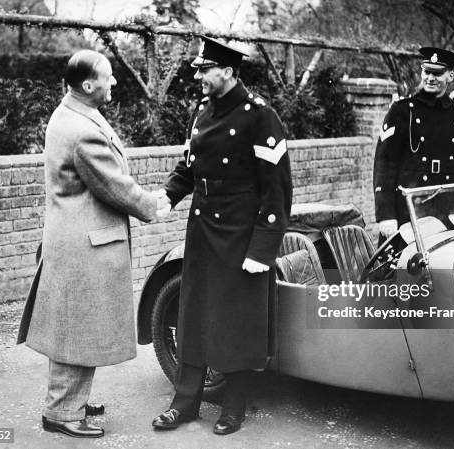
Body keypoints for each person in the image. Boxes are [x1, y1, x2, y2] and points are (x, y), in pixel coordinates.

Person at [17, 49, 168, 438]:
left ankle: (69, 402)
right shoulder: (82, 130)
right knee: (76, 328)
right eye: (109, 76)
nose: (114, 81)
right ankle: (63, 413)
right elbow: (113, 185)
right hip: (85, 245)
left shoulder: (72, 112)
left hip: (74, 238)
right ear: (89, 85)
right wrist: (153, 206)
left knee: (76, 326)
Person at [151, 36, 293, 435]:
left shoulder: (260, 116)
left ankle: (233, 406)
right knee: (193, 315)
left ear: (228, 72)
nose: (198, 77)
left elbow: (278, 190)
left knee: (237, 320)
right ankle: (184, 404)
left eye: (204, 70)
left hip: (241, 233)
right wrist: (167, 196)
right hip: (203, 228)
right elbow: (188, 166)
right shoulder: (201, 113)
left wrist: (262, 248)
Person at [373, 46, 454, 240]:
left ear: (450, 76)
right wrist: (386, 215)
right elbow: (384, 165)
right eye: (427, 71)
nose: (430, 78)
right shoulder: (402, 111)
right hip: (410, 212)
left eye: (437, 73)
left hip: (450, 212)